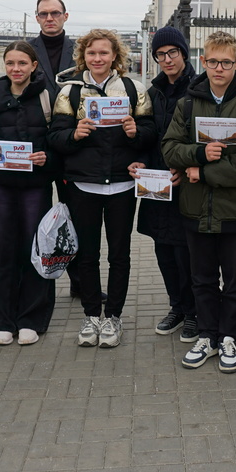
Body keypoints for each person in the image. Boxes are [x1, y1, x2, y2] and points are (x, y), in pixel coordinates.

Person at [162, 31, 236, 373]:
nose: (219, 68)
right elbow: (169, 147)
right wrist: (197, 153)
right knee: (203, 279)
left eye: (226, 62)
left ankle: (229, 338)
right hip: (196, 210)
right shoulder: (188, 103)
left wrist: (203, 172)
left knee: (235, 280)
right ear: (203, 61)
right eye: (212, 62)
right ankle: (207, 336)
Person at [47, 29, 156, 349]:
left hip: (122, 184)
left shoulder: (133, 89)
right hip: (84, 184)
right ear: (84, 56)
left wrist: (136, 132)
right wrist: (74, 134)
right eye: (92, 53)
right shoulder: (70, 91)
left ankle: (114, 316)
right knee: (88, 255)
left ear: (115, 57)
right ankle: (91, 314)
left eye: (104, 53)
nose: (98, 59)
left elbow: (151, 132)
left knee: (120, 255)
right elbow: (54, 137)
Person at [0, 41, 56, 346]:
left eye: (22, 63)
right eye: (10, 63)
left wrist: (46, 156)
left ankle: (32, 318)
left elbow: (59, 139)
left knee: (35, 250)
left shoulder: (49, 96)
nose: (16, 69)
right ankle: (3, 319)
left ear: (34, 65)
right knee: (0, 251)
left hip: (36, 186)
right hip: (2, 185)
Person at [129, 26, 198, 342]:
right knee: (163, 249)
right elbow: (148, 133)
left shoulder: (199, 88)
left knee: (187, 252)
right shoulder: (152, 93)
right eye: (161, 54)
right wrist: (140, 159)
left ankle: (195, 311)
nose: (167, 59)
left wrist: (187, 167)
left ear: (183, 53)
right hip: (156, 182)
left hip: (187, 184)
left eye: (172, 52)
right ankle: (177, 307)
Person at [28, 0, 84, 298]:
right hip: (35, 148)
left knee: (73, 217)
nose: (49, 18)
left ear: (65, 16)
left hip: (69, 145)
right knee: (35, 214)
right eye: (43, 14)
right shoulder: (26, 49)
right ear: (36, 18)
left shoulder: (80, 50)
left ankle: (80, 282)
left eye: (55, 13)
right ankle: (37, 282)